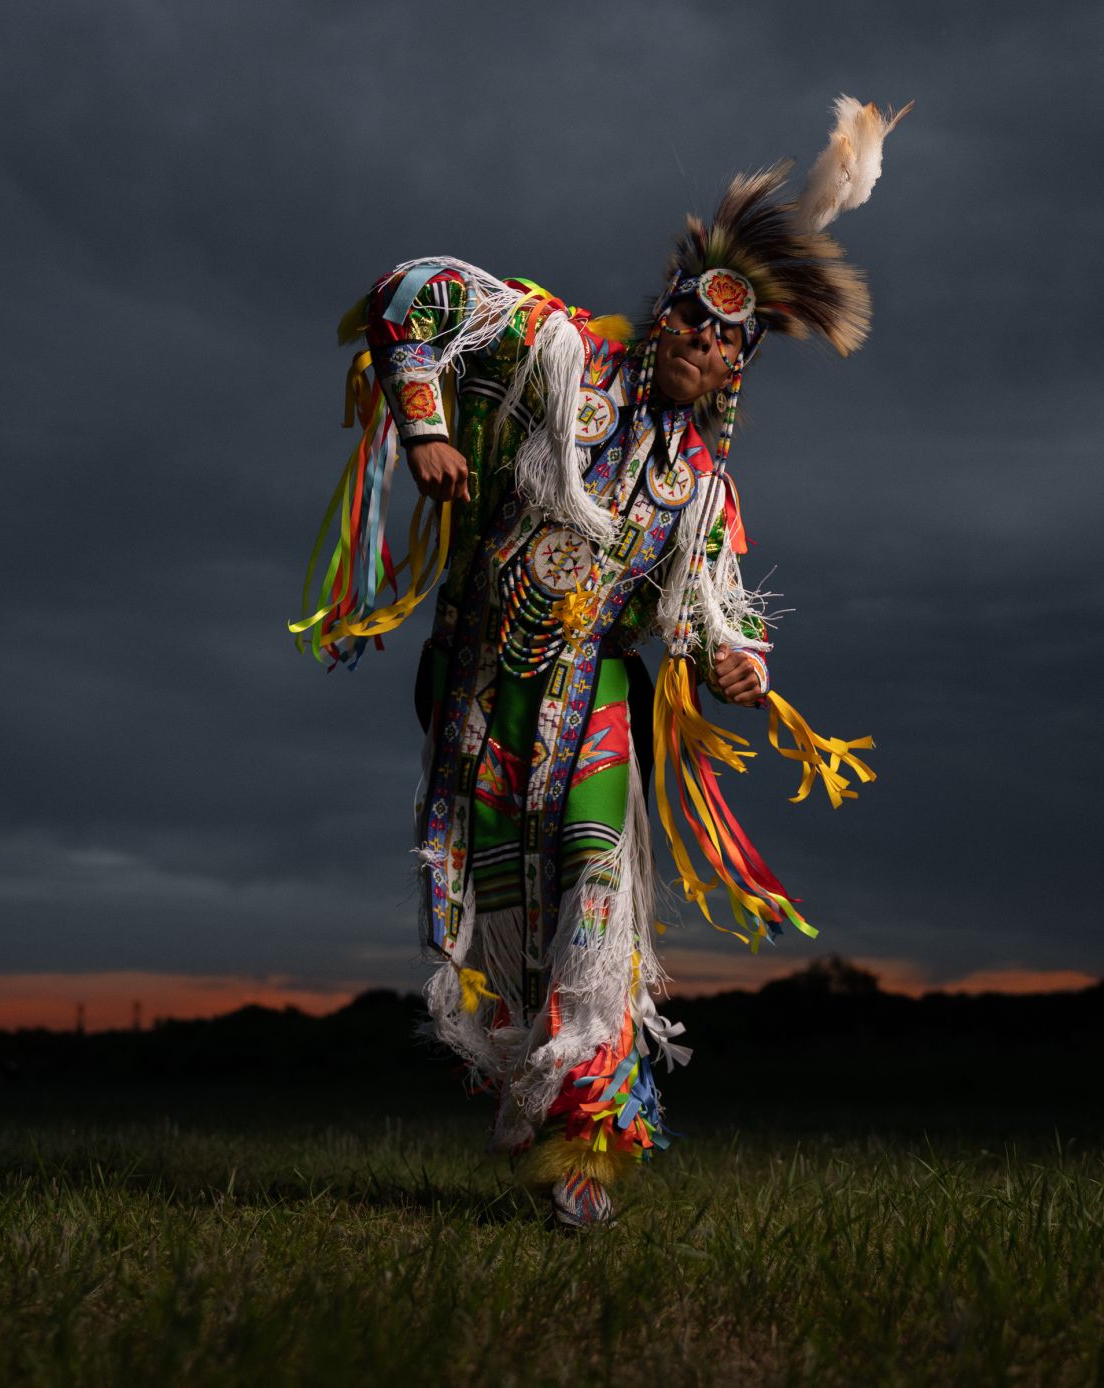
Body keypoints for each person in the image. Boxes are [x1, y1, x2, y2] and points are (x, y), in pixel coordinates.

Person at [292, 97, 908, 1230]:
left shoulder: (699, 486)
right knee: (507, 918)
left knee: (593, 892)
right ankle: (534, 1093)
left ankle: (592, 1137)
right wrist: (425, 420)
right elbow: (413, 293)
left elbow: (720, 612)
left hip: (594, 695)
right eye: (700, 324)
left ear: (740, 367)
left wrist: (738, 667)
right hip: (480, 692)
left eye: (735, 342)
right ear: (666, 315)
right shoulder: (562, 354)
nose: (715, 348)